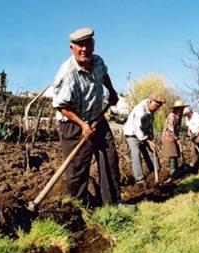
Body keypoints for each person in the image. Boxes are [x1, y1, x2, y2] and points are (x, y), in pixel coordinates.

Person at [51, 27, 121, 206]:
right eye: (79, 45)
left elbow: (104, 75)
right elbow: (61, 106)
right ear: (72, 48)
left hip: (98, 117)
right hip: (73, 124)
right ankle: (78, 208)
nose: (84, 49)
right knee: (77, 168)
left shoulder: (97, 61)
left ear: (93, 45)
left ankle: (112, 205)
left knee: (109, 158)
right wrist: (82, 125)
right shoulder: (67, 74)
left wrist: (111, 91)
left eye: (88, 44)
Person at [123, 93, 165, 184]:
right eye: (156, 105)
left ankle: (156, 173)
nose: (157, 108)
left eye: (159, 106)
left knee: (150, 152)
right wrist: (147, 141)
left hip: (144, 134)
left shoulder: (151, 110)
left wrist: (151, 136)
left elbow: (149, 125)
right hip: (132, 134)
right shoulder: (140, 110)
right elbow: (137, 128)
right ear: (149, 101)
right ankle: (140, 180)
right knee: (136, 153)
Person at [161, 100, 188, 180]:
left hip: (174, 137)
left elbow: (177, 130)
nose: (181, 110)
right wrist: (178, 140)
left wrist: (179, 139)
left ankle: (175, 172)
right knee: (172, 154)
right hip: (168, 137)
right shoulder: (171, 116)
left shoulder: (178, 117)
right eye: (179, 108)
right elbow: (171, 130)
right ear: (175, 109)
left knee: (176, 154)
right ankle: (172, 173)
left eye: (182, 108)